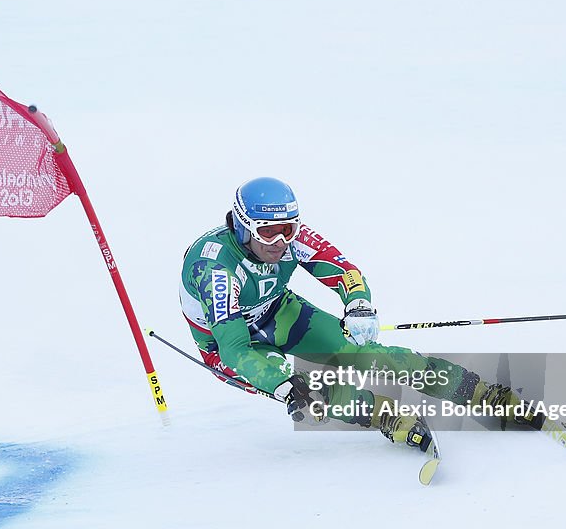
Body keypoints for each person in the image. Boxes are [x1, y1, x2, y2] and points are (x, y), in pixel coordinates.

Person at [179, 176, 542, 451]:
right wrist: (282, 386)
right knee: (314, 392)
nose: (280, 243)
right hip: (229, 343)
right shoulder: (215, 270)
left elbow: (344, 272)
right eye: (268, 233)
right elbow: (234, 349)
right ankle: (384, 414)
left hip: (276, 310)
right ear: (243, 227)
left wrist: (358, 305)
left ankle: (484, 394)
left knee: (368, 355)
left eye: (288, 230)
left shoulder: (292, 240)